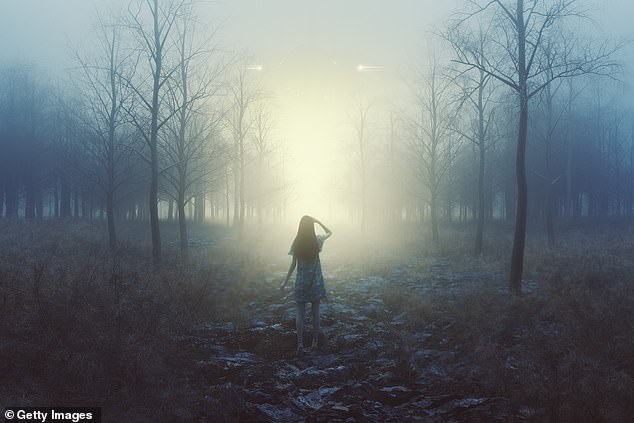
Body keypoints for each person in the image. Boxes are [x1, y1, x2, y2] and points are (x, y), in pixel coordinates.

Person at [280, 215, 332, 356]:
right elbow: (330, 232)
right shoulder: (317, 241)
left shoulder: (296, 243)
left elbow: (293, 265)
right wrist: (319, 221)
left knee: (300, 314)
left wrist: (284, 282)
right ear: (311, 226)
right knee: (316, 313)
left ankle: (300, 344)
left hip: (301, 283)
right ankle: (314, 343)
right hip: (315, 283)